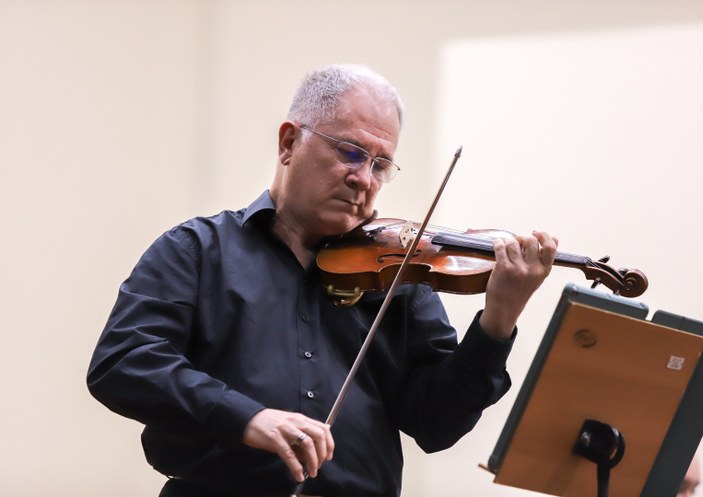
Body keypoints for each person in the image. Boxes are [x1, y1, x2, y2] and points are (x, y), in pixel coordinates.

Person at [87, 63, 557, 497]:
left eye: (380, 164)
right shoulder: (196, 251)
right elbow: (124, 363)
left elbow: (436, 424)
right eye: (350, 152)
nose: (364, 179)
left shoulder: (401, 275)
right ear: (290, 142)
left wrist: (498, 320)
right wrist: (249, 418)